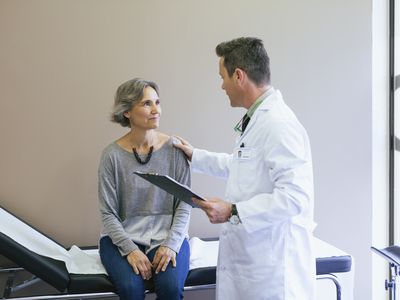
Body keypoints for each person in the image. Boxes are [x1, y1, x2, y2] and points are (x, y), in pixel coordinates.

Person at [174, 37, 316, 300]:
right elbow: (243, 165)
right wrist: (196, 156)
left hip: (271, 271)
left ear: (238, 76)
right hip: (253, 263)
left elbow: (296, 197)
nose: (221, 86)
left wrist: (234, 211)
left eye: (222, 77)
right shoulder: (258, 119)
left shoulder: (278, 124)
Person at [98, 78, 191, 300]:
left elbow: (184, 204)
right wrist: (130, 250)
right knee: (131, 289)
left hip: (166, 236)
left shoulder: (175, 150)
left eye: (157, 102)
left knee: (170, 287)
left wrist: (170, 245)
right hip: (122, 237)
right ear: (127, 111)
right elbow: (107, 213)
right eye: (146, 104)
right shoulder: (111, 156)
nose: (155, 110)